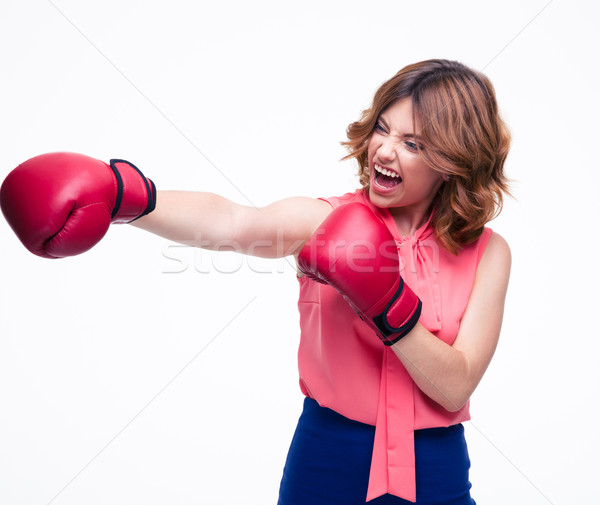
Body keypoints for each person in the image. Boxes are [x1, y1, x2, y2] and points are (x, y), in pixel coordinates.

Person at [0, 59, 511, 504]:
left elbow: (455, 386)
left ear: (451, 162)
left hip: (435, 468)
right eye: (383, 128)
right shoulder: (324, 220)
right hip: (327, 454)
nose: (384, 150)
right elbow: (233, 223)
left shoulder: (488, 253)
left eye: (413, 142)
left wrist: (387, 306)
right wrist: (127, 196)